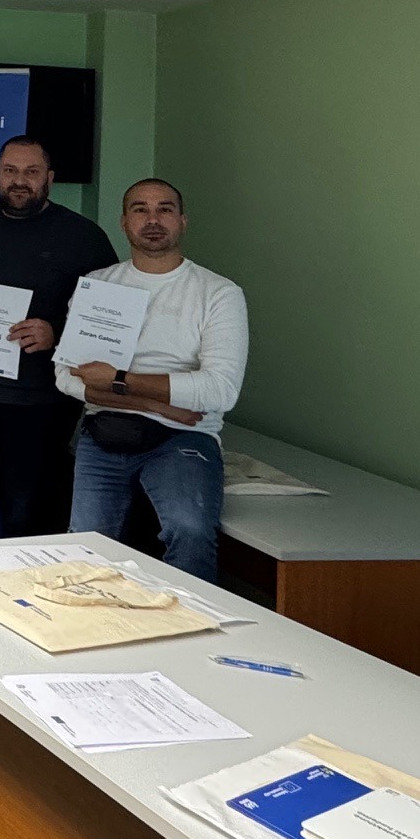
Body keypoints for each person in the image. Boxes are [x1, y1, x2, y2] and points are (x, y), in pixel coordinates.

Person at [58, 178, 248, 583]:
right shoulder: (98, 285)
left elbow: (220, 391)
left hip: (183, 436)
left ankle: (192, 620)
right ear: (124, 222)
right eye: (140, 209)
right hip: (106, 431)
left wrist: (118, 380)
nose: (153, 219)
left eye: (165, 209)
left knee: (189, 531)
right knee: (85, 548)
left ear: (182, 221)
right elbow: (65, 378)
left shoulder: (219, 293)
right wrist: (153, 402)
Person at [0, 136, 118, 541]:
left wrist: (57, 333)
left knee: (27, 524)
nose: (20, 180)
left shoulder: (84, 237)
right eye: (10, 171)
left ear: (49, 178)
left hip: (38, 409)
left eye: (31, 172)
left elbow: (108, 324)